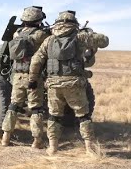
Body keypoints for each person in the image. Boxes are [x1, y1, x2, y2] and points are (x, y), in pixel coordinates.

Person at [28, 10, 109, 156]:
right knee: (83, 116)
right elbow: (105, 41)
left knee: (54, 116)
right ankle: (89, 148)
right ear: (74, 23)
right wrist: (90, 36)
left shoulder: (48, 40)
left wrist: (32, 80)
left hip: (53, 85)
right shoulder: (79, 38)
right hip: (74, 84)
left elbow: (36, 61)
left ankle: (53, 147)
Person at [1, 6, 50, 149]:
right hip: (33, 77)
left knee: (14, 106)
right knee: (36, 108)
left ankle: (5, 137)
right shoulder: (41, 35)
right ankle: (37, 141)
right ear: (38, 20)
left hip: (17, 76)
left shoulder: (17, 34)